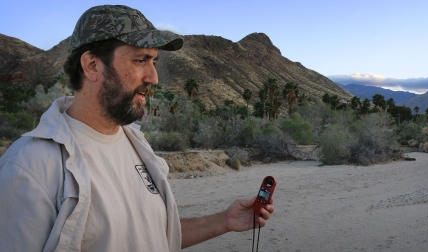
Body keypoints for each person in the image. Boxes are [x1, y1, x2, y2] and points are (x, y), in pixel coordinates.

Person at [0, 5, 274, 251]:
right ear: (92, 66)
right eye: (139, 61)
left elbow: (151, 236)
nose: (153, 77)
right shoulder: (29, 167)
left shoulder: (136, 144)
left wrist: (224, 221)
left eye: (153, 62)